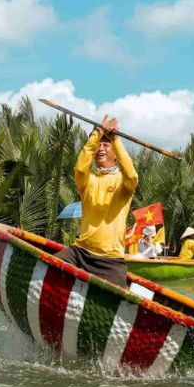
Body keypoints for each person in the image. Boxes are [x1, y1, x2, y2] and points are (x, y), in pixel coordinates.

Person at [54, 116, 138, 287]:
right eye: (98, 145)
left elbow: (131, 174)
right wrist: (97, 133)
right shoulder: (88, 180)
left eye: (106, 145)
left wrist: (114, 138)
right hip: (80, 252)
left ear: (115, 152)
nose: (101, 148)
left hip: (110, 260)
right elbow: (80, 167)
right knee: (48, 267)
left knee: (117, 302)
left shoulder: (124, 183)